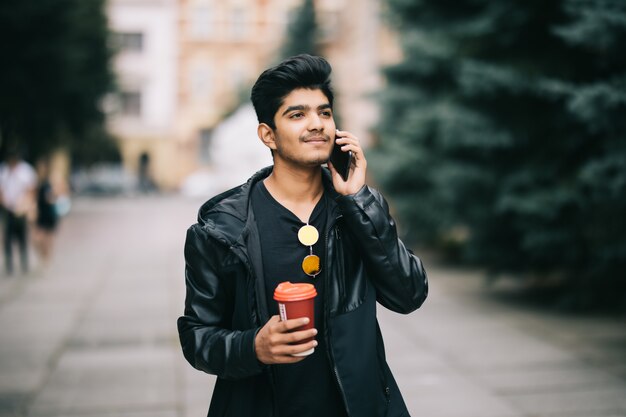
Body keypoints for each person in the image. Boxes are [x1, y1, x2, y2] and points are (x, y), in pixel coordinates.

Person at [177, 54, 428, 417]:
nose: (317, 124)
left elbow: (409, 294)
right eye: (297, 115)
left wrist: (359, 200)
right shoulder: (220, 228)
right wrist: (252, 347)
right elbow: (196, 336)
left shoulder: (356, 208)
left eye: (324, 113)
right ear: (268, 135)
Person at [0, 148, 37, 275]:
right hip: (9, 208)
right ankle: (9, 265)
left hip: (22, 209)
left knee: (22, 237)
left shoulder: (26, 171)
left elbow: (31, 190)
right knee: (7, 238)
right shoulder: (4, 171)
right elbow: (1, 190)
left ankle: (24, 263)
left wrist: (24, 205)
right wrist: (6, 202)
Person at [33, 159, 59, 267]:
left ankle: (46, 260)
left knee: (47, 240)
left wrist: (52, 196)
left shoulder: (48, 184)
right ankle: (44, 258)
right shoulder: (38, 183)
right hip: (40, 215)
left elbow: (52, 198)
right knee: (37, 239)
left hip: (49, 215)